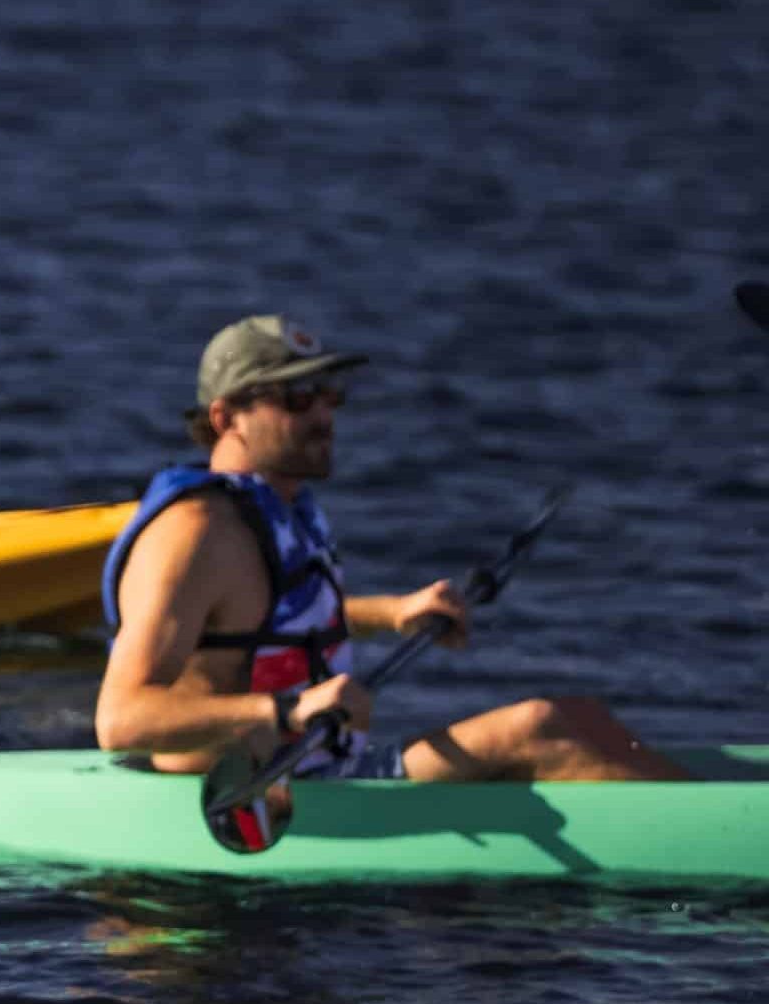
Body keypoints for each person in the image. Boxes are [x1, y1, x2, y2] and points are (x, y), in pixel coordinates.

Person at [96, 315, 682, 783]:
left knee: (585, 717)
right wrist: (286, 710)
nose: (324, 412)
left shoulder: (276, 508)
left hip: (323, 768)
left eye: (329, 392)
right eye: (296, 397)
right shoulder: (194, 531)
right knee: (542, 727)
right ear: (226, 416)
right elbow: (121, 720)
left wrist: (394, 611)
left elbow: (263, 621)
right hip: (253, 792)